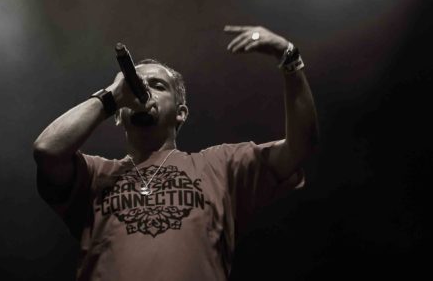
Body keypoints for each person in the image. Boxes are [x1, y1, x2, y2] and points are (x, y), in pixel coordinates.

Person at [32, 24, 320, 280]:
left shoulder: (219, 165)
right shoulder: (95, 175)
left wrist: (289, 57)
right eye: (135, 87)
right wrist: (112, 96)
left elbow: (299, 147)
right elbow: (47, 150)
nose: (143, 93)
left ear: (181, 113)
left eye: (158, 86)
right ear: (119, 115)